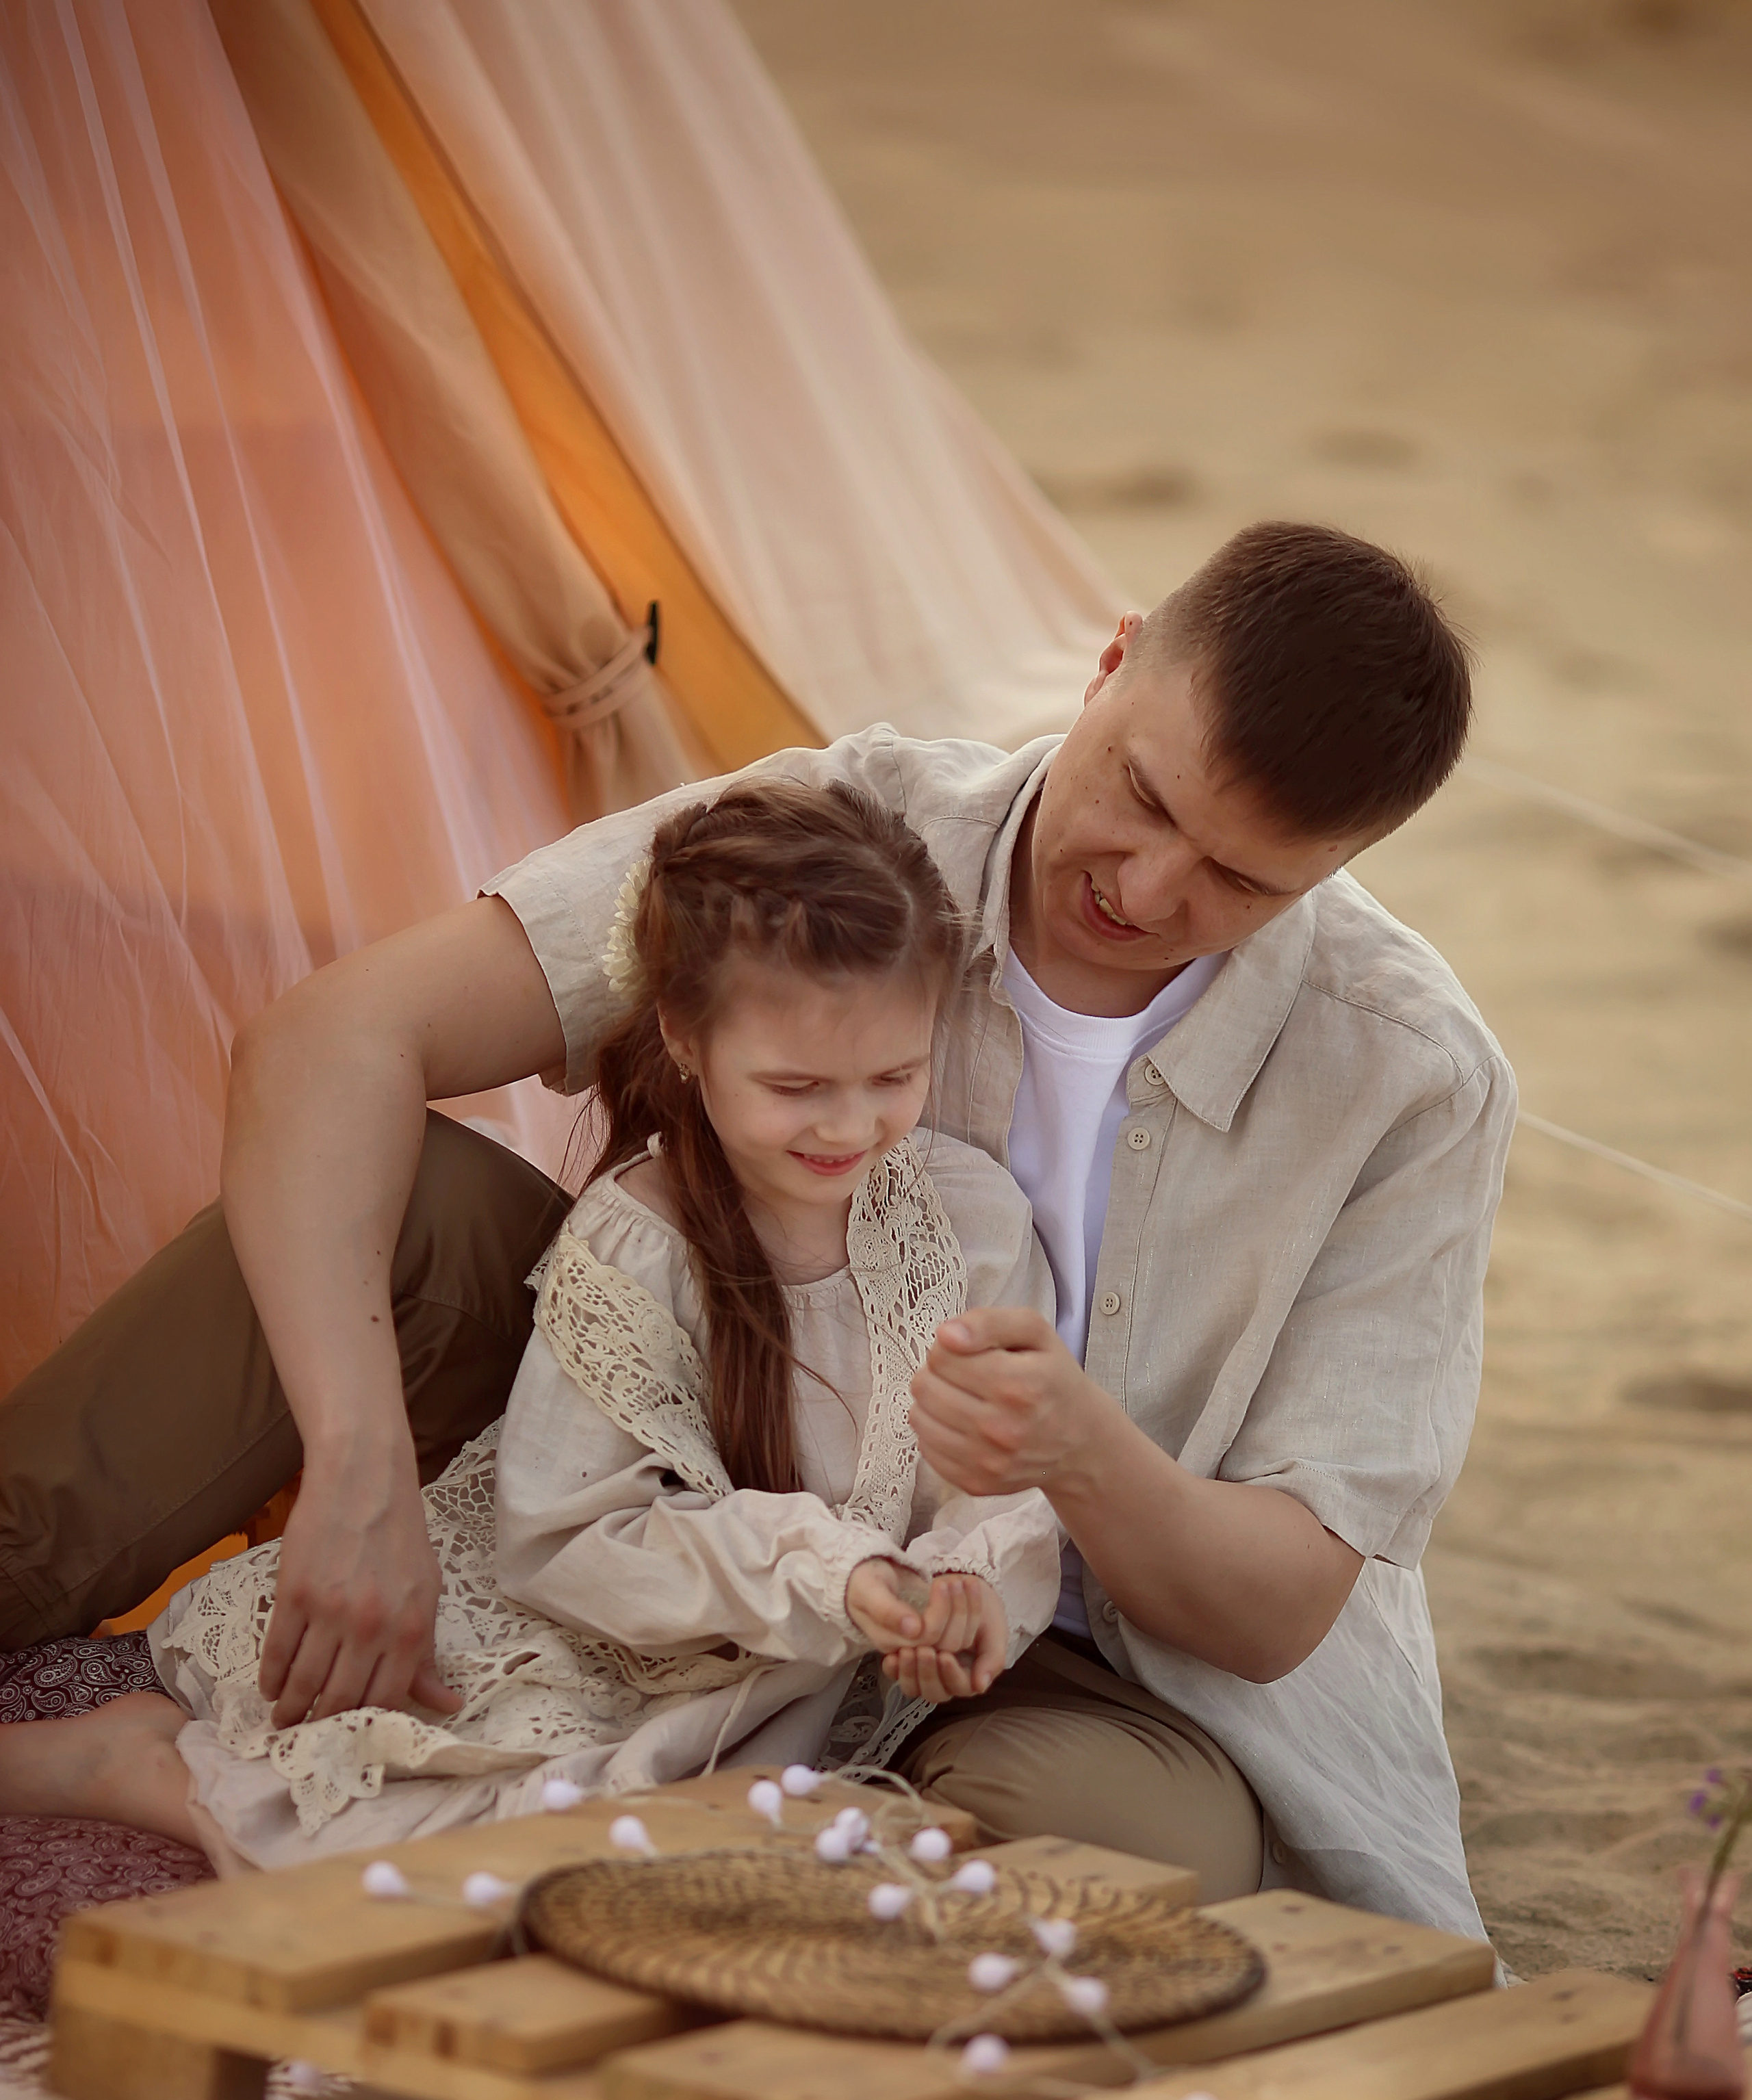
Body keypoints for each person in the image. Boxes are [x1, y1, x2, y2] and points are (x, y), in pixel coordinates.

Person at [0, 522, 1513, 1936]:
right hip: (646, 1479)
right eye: (1141, 794)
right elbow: (331, 1041)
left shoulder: (1406, 1075)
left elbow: (1272, 1612)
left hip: (1062, 1650)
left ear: (1330, 873)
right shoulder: (852, 830)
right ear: (1109, 663)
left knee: (1121, 1865)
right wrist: (357, 1466)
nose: (1143, 884)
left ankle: (708, 1885)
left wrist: (1070, 1455)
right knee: (424, 1203)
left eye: (1240, 880)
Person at [0, 785, 1064, 1868]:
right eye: (795, 1086)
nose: (850, 1125)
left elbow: (1008, 1469)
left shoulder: (969, 1221)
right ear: (686, 1039)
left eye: (895, 1076)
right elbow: (571, 1538)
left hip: (800, 1675)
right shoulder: (637, 1242)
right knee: (491, 1857)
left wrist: (965, 1585)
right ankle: (150, 1771)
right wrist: (832, 1576)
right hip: (628, 1642)